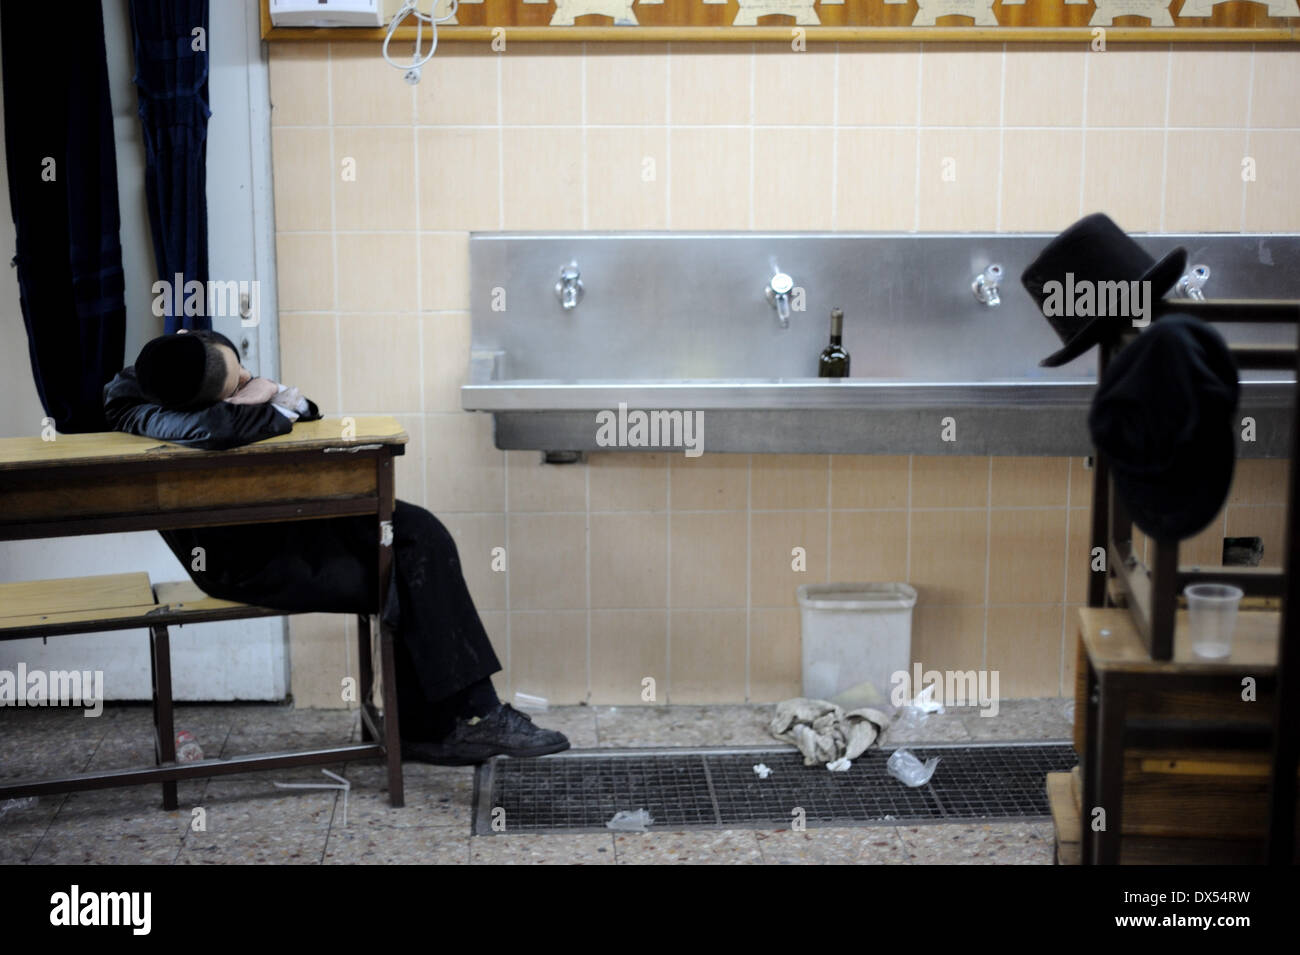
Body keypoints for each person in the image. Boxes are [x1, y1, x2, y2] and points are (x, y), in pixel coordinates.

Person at [101, 328, 569, 766]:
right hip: (242, 559)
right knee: (402, 572)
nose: (249, 380)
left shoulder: (183, 360)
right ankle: (459, 720)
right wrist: (260, 398)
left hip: (284, 523)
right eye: (237, 384)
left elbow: (303, 409)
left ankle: (435, 725)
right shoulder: (133, 404)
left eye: (242, 372)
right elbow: (223, 428)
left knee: (418, 532)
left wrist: (256, 397)